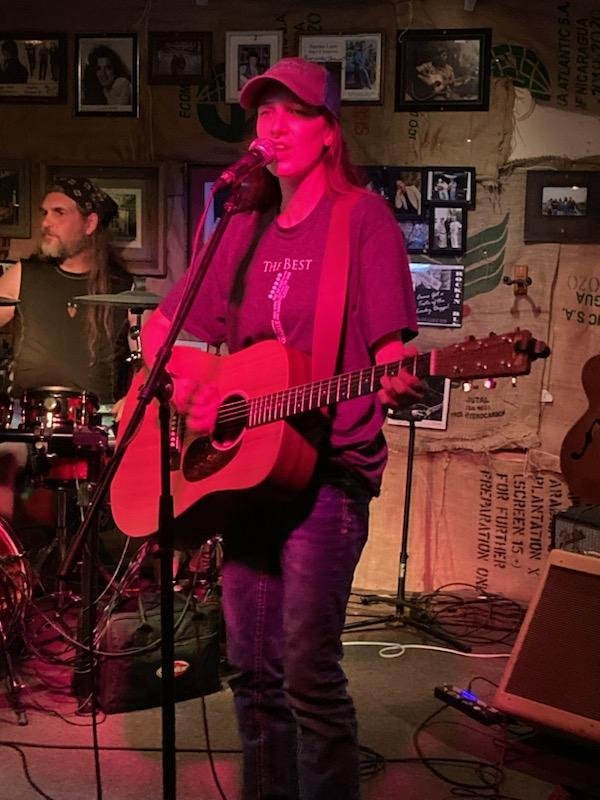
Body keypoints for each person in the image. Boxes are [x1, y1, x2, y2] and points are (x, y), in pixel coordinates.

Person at [141, 56, 422, 800]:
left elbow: (391, 350)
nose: (275, 127)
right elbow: (161, 336)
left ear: (330, 132)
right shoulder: (243, 222)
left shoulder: (362, 220)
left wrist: (397, 374)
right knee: (251, 670)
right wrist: (202, 390)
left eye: (294, 112)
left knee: (306, 673)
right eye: (264, 114)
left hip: (329, 471)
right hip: (251, 473)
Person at [0, 175, 132, 520]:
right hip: (26, 419)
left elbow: (151, 357)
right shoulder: (23, 275)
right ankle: (10, 566)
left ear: (89, 223)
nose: (45, 222)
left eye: (59, 212)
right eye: (44, 212)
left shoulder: (125, 289)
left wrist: (133, 394)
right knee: (4, 458)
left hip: (97, 423)